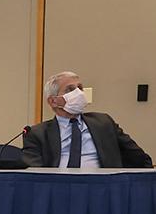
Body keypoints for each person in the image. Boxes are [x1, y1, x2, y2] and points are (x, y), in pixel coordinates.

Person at [22, 71, 152, 168]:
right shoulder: (37, 133)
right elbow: (34, 175)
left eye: (80, 88)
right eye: (70, 89)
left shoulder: (104, 123)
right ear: (53, 101)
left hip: (102, 189)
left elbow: (140, 159)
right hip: (60, 190)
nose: (78, 93)